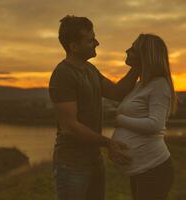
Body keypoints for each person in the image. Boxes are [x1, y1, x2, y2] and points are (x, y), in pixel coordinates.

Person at [48, 15, 139, 200]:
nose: (97, 42)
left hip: (94, 160)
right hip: (71, 165)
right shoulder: (63, 74)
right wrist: (108, 143)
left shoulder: (90, 70)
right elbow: (70, 127)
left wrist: (138, 66)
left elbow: (117, 92)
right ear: (73, 46)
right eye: (90, 40)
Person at [111, 33, 177, 200]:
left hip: (153, 169)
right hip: (142, 170)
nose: (127, 50)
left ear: (144, 55)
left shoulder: (159, 85)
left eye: (133, 49)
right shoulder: (142, 84)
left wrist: (120, 120)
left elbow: (155, 125)